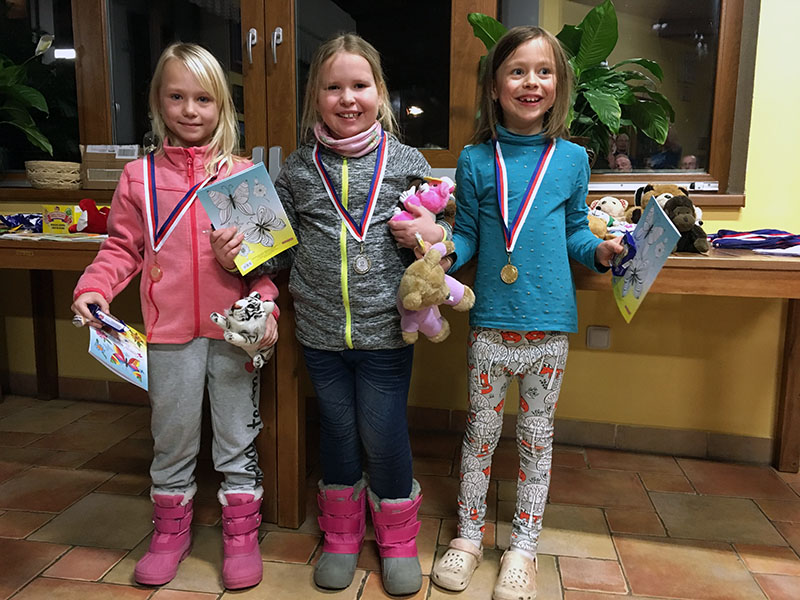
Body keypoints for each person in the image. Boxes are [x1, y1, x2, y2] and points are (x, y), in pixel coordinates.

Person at [211, 33, 449, 596]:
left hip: (388, 331)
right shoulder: (297, 170)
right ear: (315, 98)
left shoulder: (407, 163)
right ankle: (341, 535)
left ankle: (397, 539)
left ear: (379, 92)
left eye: (359, 85)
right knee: (338, 432)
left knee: (383, 434)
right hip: (320, 333)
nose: (347, 98)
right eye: (333, 87)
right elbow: (279, 252)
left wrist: (435, 232)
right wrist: (235, 254)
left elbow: (450, 233)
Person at [71, 43, 278, 590]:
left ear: (222, 106)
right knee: (172, 437)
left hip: (234, 335)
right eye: (177, 97)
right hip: (166, 336)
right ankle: (168, 533)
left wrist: (265, 304)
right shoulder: (137, 177)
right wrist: (95, 287)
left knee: (237, 437)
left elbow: (266, 265)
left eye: (203, 99)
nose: (190, 110)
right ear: (158, 102)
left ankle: (241, 536)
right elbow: (121, 248)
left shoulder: (242, 176)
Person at [429, 26, 623, 600]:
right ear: (494, 86)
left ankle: (523, 548)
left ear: (559, 85)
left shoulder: (573, 159)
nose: (530, 82)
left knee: (537, 440)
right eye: (516, 71)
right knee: (480, 435)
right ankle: (468, 538)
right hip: (490, 323)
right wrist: (444, 252)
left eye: (543, 71)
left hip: (549, 329)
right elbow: (468, 235)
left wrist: (601, 252)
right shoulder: (473, 160)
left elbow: (575, 231)